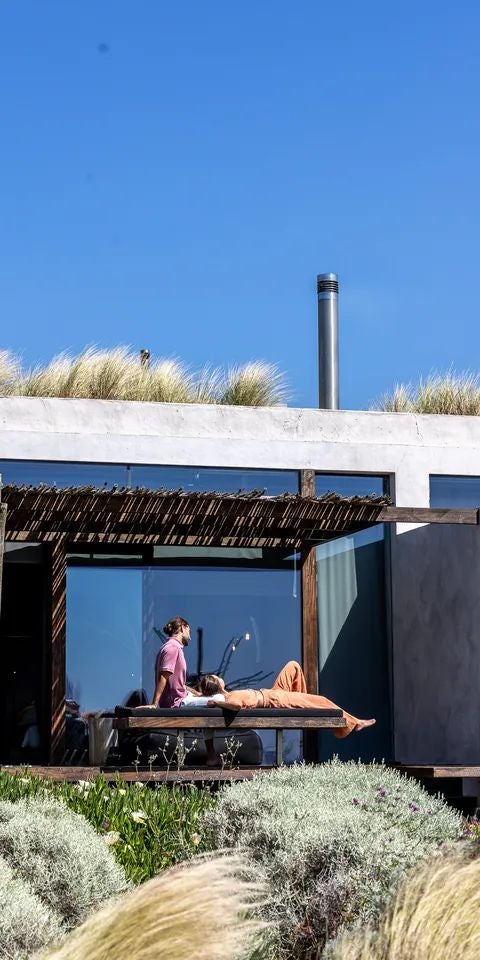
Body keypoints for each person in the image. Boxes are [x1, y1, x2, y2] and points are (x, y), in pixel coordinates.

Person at [199, 660, 375, 738]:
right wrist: (216, 701)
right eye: (215, 676)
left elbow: (197, 693)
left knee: (293, 666)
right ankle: (355, 722)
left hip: (272, 693)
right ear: (216, 683)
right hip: (275, 700)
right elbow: (235, 705)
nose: (218, 675)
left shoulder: (228, 694)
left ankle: (301, 703)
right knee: (322, 701)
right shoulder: (230, 697)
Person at [151, 616, 217, 763]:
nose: (191, 637)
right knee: (217, 703)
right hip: (177, 703)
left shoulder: (169, 647)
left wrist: (198, 694)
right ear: (182, 627)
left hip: (181, 698)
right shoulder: (172, 648)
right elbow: (164, 676)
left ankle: (211, 754)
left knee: (214, 700)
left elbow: (178, 683)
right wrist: (154, 704)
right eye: (189, 631)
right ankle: (211, 755)